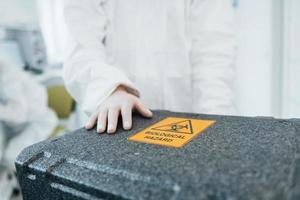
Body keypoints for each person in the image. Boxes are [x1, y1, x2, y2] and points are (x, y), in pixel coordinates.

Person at [63, 0, 237, 134]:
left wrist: (216, 121)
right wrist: (111, 89)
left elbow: (213, 53)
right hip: (113, 116)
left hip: (186, 112)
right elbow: (81, 46)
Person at [0, 61, 58, 169]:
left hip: (37, 122)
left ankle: (28, 183)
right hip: (19, 123)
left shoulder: (9, 76)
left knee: (11, 157)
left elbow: (19, 114)